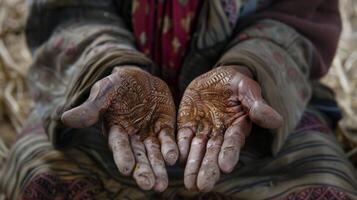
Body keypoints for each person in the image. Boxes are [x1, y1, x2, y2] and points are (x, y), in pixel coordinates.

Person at [1, 0, 356, 199]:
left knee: (325, 189)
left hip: (248, 110)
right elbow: (71, 13)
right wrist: (110, 66)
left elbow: (297, 16)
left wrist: (248, 68)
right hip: (111, 109)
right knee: (42, 182)